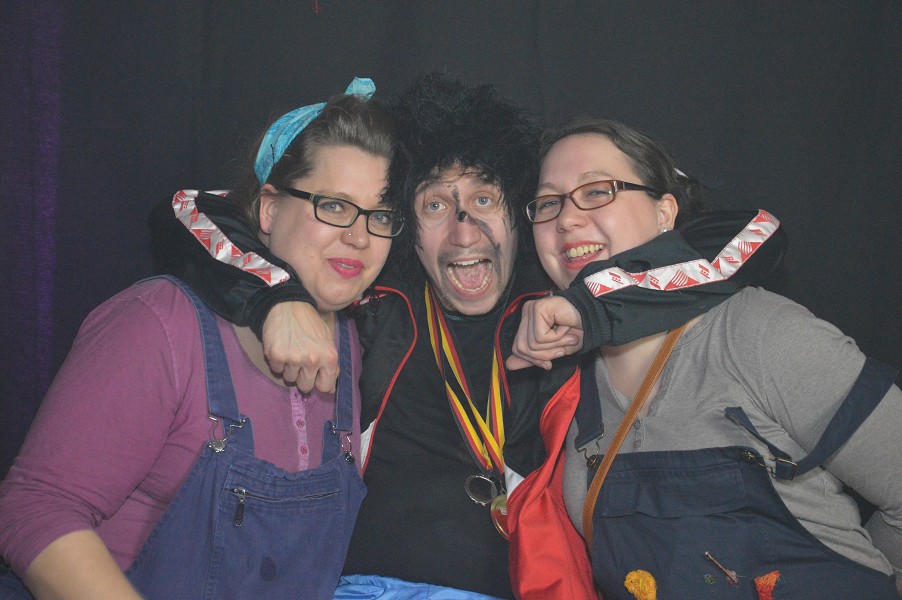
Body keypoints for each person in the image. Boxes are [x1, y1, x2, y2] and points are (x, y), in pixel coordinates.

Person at [146, 74, 789, 598]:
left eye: (483, 199)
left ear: (518, 211)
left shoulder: (562, 294)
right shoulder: (380, 300)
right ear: (408, 226)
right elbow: (187, 209)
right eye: (434, 204)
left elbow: (752, 232)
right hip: (356, 586)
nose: (462, 230)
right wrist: (275, 296)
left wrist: (593, 308)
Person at [0, 77, 400, 600]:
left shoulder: (355, 344)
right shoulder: (159, 324)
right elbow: (34, 509)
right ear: (269, 209)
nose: (359, 235)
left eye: (379, 215)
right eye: (334, 205)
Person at [505, 118, 902, 599]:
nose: (567, 218)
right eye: (549, 202)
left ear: (664, 212)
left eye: (597, 191)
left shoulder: (756, 334)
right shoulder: (566, 392)